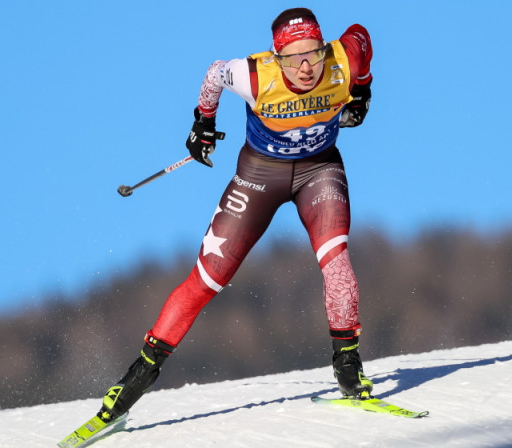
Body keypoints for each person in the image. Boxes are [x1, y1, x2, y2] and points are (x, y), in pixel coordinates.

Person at [97, 7, 374, 423]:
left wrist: (362, 92)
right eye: (292, 57)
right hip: (259, 176)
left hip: (320, 170)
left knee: (337, 264)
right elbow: (214, 74)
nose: (304, 66)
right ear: (275, 56)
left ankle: (349, 366)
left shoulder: (343, 59)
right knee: (207, 279)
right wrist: (202, 123)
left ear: (324, 48)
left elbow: (361, 38)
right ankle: (136, 378)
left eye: (313, 54)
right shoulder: (254, 74)